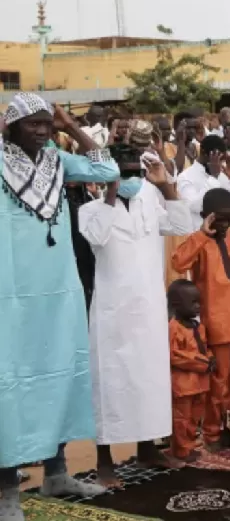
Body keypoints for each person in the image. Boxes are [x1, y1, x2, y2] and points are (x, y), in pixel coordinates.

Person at [0, 93, 117, 519]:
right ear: (11, 126)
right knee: (10, 386)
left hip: (59, 288)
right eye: (32, 123)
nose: (42, 129)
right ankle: (8, 493)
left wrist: (72, 128)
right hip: (10, 293)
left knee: (61, 375)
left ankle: (57, 472)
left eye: (46, 122)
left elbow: (107, 169)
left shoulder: (58, 161)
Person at [79, 144, 193, 485]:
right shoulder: (91, 209)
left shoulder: (149, 199)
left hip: (149, 309)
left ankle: (147, 448)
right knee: (110, 384)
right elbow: (96, 237)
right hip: (113, 312)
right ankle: (104, 461)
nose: (129, 176)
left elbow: (180, 223)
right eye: (122, 170)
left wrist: (164, 185)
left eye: (133, 170)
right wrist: (112, 189)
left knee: (149, 381)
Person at [171, 188, 230, 451]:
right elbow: (179, 262)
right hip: (218, 324)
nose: (224, 224)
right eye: (218, 218)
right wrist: (202, 234)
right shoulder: (198, 241)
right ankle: (212, 433)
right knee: (218, 382)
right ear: (206, 217)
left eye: (228, 218)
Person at [168, 279, 214, 462]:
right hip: (183, 385)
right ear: (177, 305)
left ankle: (189, 445)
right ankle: (181, 450)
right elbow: (175, 355)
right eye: (192, 303)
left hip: (200, 383)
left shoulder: (198, 327)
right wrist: (204, 362)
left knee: (195, 417)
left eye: (198, 302)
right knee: (181, 418)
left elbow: (204, 347)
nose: (197, 307)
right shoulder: (173, 328)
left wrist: (210, 358)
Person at [177, 134, 230, 229]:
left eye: (222, 159)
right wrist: (213, 178)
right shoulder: (185, 177)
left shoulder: (222, 174)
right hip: (199, 235)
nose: (220, 163)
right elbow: (194, 207)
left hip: (226, 234)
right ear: (204, 153)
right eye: (217, 158)